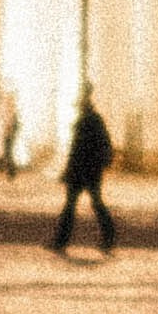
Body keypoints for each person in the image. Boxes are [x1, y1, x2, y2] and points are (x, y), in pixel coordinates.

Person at [50, 98, 115, 254]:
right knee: (94, 204)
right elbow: (104, 145)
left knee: (72, 206)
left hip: (81, 171)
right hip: (92, 171)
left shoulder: (85, 122)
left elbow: (77, 150)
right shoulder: (96, 120)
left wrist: (68, 171)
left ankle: (61, 241)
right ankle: (108, 237)